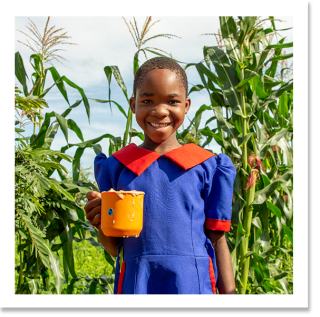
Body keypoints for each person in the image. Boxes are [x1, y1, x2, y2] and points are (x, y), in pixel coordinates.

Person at [84, 57, 237, 294]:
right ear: (133, 105)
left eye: (172, 101)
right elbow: (116, 248)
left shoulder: (207, 166)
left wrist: (230, 295)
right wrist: (101, 223)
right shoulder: (118, 167)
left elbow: (217, 239)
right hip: (139, 282)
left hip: (193, 283)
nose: (159, 111)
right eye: (147, 101)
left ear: (186, 106)